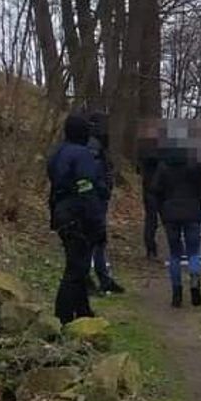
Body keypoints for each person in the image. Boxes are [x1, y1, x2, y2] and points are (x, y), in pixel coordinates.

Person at [47, 113, 106, 324]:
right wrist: (97, 221)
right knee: (76, 268)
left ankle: (83, 312)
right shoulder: (82, 155)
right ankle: (62, 317)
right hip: (78, 214)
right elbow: (87, 187)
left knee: (78, 264)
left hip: (61, 212)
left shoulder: (57, 153)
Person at [152, 144, 201, 308]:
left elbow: (156, 192)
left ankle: (177, 293)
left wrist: (162, 214)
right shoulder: (197, 165)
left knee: (174, 255)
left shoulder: (163, 166)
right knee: (193, 252)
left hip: (171, 214)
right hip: (193, 213)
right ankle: (194, 282)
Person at [87, 111, 125, 295]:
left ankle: (103, 278)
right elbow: (93, 173)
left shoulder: (97, 146)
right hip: (94, 201)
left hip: (98, 199)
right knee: (94, 240)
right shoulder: (93, 146)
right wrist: (103, 189)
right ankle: (94, 280)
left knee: (99, 241)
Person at [136, 118, 162, 260]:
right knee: (163, 219)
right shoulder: (163, 150)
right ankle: (168, 248)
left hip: (148, 187)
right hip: (161, 189)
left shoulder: (143, 150)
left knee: (150, 219)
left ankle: (150, 248)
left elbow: (138, 170)